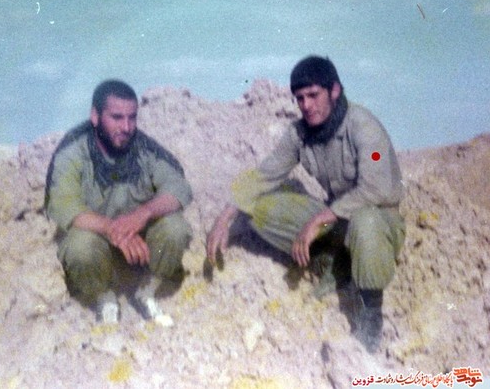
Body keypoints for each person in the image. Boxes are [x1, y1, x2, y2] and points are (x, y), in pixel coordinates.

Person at [206, 56, 405, 353]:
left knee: (366, 220)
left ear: (334, 90)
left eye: (313, 95)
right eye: (300, 98)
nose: (307, 105)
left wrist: (318, 220)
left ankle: (370, 317)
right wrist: (225, 216)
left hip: (379, 224)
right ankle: (334, 266)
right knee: (260, 208)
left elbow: (375, 189)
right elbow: (266, 174)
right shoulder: (299, 133)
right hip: (337, 222)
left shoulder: (365, 128)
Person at [45, 79, 193, 325]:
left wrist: (143, 214)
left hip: (140, 248)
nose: (126, 127)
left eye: (132, 118)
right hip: (98, 243)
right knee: (79, 246)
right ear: (95, 116)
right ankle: (104, 299)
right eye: (116, 117)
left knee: (175, 228)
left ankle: (147, 292)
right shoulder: (73, 152)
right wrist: (113, 230)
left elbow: (178, 188)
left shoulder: (146, 149)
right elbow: (64, 206)